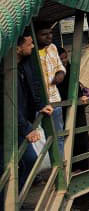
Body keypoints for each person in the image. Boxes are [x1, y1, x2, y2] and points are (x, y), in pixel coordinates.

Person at [16, 31, 52, 188]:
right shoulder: (8, 71)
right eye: (29, 44)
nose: (32, 46)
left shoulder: (23, 65)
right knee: (27, 160)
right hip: (14, 126)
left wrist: (40, 105)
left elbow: (32, 87)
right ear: (18, 47)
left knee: (27, 161)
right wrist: (26, 128)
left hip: (21, 123)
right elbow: (10, 103)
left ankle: (14, 199)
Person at [36, 26, 66, 144]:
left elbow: (60, 66)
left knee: (59, 136)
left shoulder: (52, 48)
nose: (49, 36)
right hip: (39, 105)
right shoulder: (31, 52)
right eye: (44, 34)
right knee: (41, 140)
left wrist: (61, 73)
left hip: (55, 100)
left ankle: (60, 161)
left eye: (50, 33)